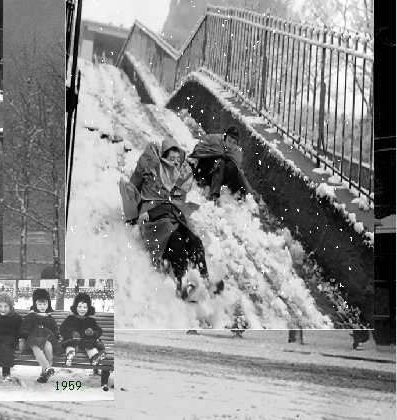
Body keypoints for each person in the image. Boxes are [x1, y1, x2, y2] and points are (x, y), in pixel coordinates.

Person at [123, 138, 217, 294]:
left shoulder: (178, 178)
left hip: (173, 216)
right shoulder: (153, 172)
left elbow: (179, 202)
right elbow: (136, 185)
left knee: (195, 242)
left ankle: (205, 280)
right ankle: (183, 284)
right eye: (171, 158)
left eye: (178, 160)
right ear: (163, 158)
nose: (175, 162)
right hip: (154, 220)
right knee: (176, 241)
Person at [189, 125, 255, 202]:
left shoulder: (237, 153)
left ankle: (238, 193)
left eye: (234, 143)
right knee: (220, 162)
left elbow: (239, 172)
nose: (231, 145)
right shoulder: (214, 139)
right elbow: (199, 147)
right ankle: (213, 193)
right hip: (207, 168)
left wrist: (250, 191)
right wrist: (196, 159)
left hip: (220, 175)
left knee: (232, 167)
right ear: (224, 138)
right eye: (229, 141)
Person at [18, 288, 63, 383]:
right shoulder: (31, 316)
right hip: (33, 341)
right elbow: (23, 329)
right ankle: (47, 368)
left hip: (46, 340)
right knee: (36, 346)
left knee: (48, 348)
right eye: (40, 304)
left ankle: (44, 374)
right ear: (35, 304)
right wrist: (22, 339)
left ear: (48, 304)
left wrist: (52, 336)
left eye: (45, 304)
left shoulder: (50, 318)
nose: (42, 306)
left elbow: (55, 332)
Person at [59, 292, 106, 367]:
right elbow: (62, 329)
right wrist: (71, 332)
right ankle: (70, 356)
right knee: (70, 345)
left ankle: (94, 357)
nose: (82, 309)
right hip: (73, 340)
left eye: (85, 307)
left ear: (88, 308)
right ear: (76, 307)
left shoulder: (91, 320)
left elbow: (99, 331)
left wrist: (92, 332)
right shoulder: (70, 319)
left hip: (86, 341)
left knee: (91, 347)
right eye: (80, 307)